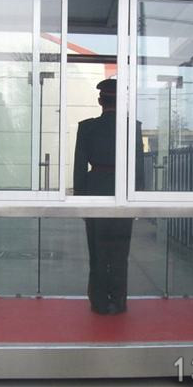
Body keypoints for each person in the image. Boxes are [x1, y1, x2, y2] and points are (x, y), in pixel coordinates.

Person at [73, 78, 144, 315]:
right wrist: (138, 199)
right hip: (124, 192)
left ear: (100, 100)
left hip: (94, 191)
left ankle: (100, 302)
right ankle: (119, 300)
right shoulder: (132, 127)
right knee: (120, 252)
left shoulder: (87, 127)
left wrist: (80, 199)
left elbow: (79, 167)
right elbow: (138, 167)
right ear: (121, 102)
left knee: (98, 251)